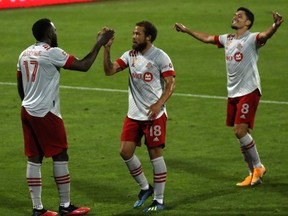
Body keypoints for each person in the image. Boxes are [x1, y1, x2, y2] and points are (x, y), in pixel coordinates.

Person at [174, 8, 284, 186]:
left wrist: (275, 26)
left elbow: (265, 36)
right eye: (235, 15)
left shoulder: (252, 38)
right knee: (243, 135)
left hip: (249, 91)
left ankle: (258, 166)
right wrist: (187, 30)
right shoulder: (228, 39)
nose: (235, 17)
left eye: (240, 16)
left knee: (239, 131)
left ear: (247, 23)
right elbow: (208, 38)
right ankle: (252, 175)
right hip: (233, 93)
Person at [17, 18, 114, 216]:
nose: (56, 33)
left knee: (34, 158)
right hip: (46, 113)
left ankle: (38, 209)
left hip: (27, 110)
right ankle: (65, 205)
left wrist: (29, 102)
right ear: (50, 34)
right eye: (55, 30)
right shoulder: (52, 52)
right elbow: (84, 65)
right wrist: (100, 42)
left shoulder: (24, 53)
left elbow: (20, 85)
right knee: (61, 155)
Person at [103, 21, 175, 212]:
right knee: (125, 152)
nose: (133, 37)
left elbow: (170, 84)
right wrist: (106, 49)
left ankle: (159, 200)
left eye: (138, 34)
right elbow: (109, 71)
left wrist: (159, 104)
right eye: (133, 33)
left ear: (148, 37)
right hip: (134, 115)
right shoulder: (130, 55)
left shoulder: (160, 57)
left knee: (155, 157)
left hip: (154, 116)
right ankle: (145, 188)